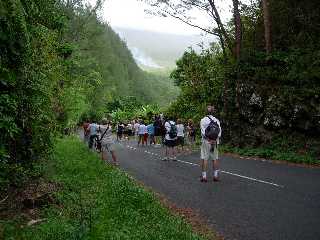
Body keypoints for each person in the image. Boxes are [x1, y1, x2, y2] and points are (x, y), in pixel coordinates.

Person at [200, 106, 222, 182]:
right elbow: (219, 133)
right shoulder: (217, 120)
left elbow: (203, 133)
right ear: (213, 112)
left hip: (206, 142)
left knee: (204, 159)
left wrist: (209, 139)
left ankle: (204, 177)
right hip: (215, 142)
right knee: (215, 159)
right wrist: (214, 140)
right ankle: (215, 176)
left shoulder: (203, 120)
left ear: (206, 112)